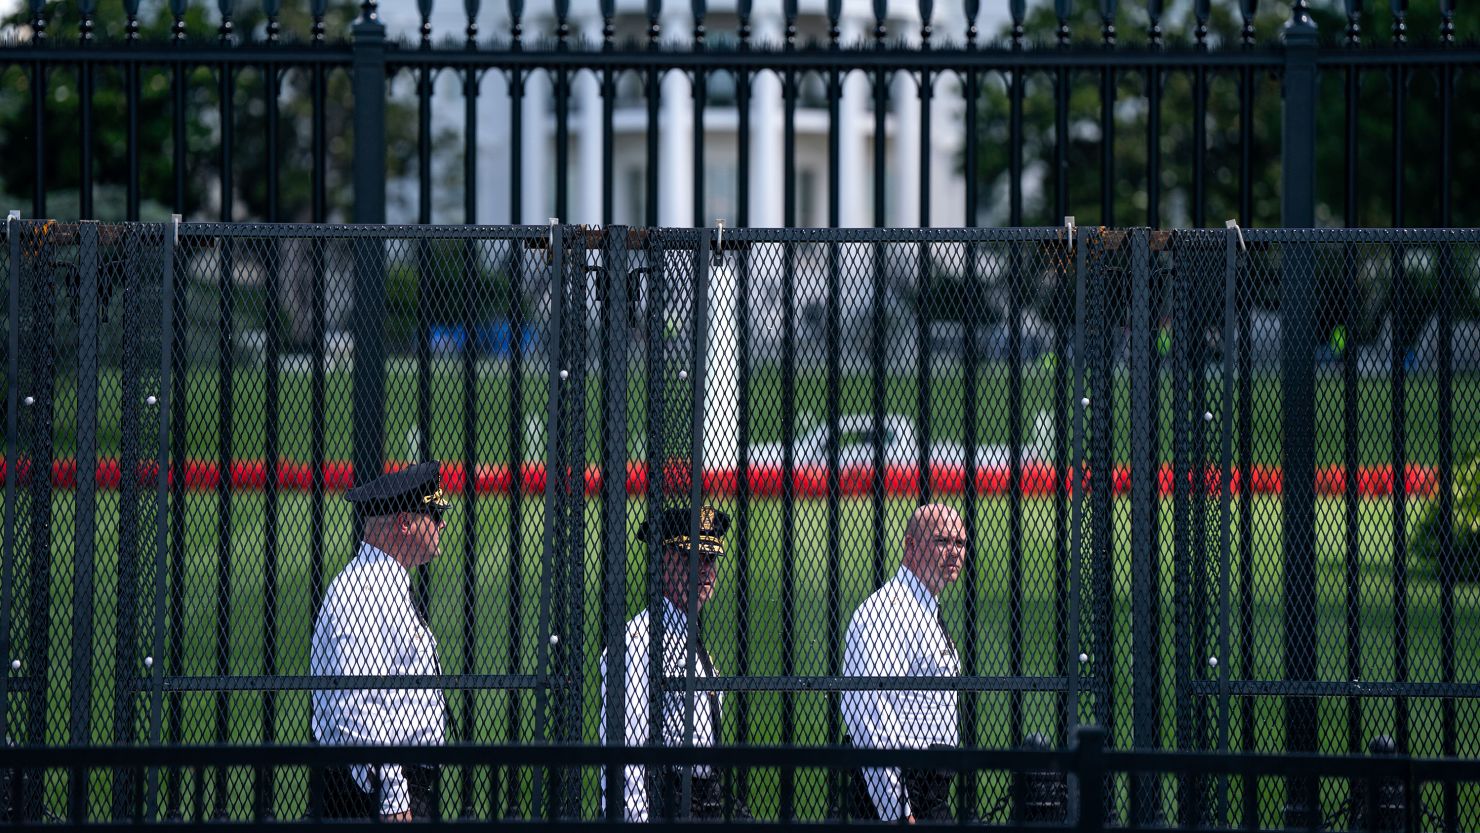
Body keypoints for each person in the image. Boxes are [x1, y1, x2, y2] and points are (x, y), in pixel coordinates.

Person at [310, 461, 450, 822]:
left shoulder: (382, 585)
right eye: (434, 514)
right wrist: (393, 800)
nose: (442, 524)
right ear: (404, 523)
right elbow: (356, 707)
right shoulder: (362, 592)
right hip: (371, 799)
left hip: (388, 788)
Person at [599, 504, 749, 822]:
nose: (705, 570)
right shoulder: (639, 640)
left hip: (702, 800)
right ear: (664, 560)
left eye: (710, 559)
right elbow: (627, 750)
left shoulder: (685, 632)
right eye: (692, 558)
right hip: (667, 806)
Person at [841, 503, 967, 822]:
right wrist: (896, 810)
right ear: (911, 545)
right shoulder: (887, 611)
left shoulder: (921, 608)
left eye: (961, 543)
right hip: (902, 799)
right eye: (942, 541)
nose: (954, 552)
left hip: (925, 794)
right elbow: (869, 715)